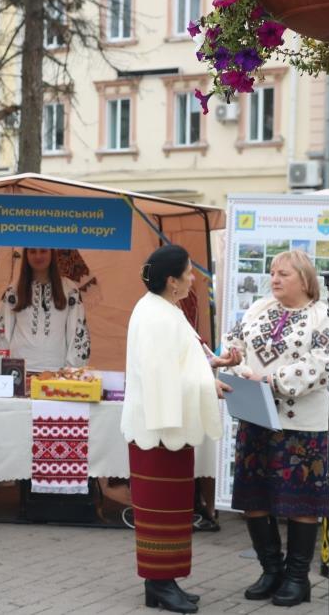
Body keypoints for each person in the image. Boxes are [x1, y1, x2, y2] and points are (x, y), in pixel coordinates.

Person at [215, 250, 329, 606]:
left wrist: (271, 379)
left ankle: (298, 578)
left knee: (301, 500)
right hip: (257, 416)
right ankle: (271, 570)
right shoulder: (258, 309)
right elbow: (232, 348)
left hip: (303, 423)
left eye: (283, 273)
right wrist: (233, 365)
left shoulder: (322, 316)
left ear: (305, 278)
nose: (274, 279)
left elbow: (322, 365)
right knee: (254, 496)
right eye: (272, 272)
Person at [122, 244, 226, 614]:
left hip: (170, 424)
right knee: (159, 508)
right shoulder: (155, 315)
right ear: (172, 280)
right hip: (157, 427)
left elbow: (187, 358)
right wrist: (207, 386)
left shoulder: (166, 309)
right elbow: (159, 375)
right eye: (188, 272)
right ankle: (159, 584)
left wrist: (216, 363)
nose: (193, 277)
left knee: (174, 507)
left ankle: (165, 582)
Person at [0, 247, 90, 371]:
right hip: (19, 369)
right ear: (26, 255)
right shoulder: (14, 289)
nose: (38, 256)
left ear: (52, 253)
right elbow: (1, 329)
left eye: (43, 251)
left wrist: (74, 368)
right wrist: (1, 367)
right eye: (32, 251)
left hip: (56, 369)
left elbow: (77, 330)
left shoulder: (70, 289)